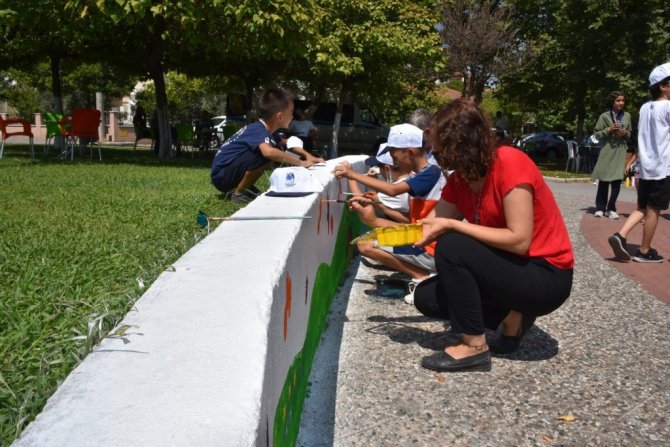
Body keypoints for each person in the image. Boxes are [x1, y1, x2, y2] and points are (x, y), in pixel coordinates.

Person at [413, 99, 574, 373]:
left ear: (460, 143)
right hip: (511, 269)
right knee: (426, 297)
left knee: (452, 245)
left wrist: (454, 226)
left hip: (545, 275)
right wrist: (378, 227)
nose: (435, 154)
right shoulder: (460, 179)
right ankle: (513, 316)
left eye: (439, 148)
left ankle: (474, 348)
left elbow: (519, 240)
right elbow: (430, 225)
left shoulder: (510, 161)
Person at [333, 124, 447, 300]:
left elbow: (393, 190)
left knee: (366, 244)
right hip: (422, 237)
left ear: (410, 152)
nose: (395, 163)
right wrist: (375, 215)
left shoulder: (431, 173)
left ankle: (423, 277)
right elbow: (412, 223)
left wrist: (351, 174)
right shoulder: (425, 174)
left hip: (430, 248)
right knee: (365, 242)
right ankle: (424, 274)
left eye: (395, 157)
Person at [608, 63, 670, 263]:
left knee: (642, 207)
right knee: (654, 210)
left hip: (645, 168)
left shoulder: (645, 108)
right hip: (662, 168)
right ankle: (644, 251)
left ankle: (620, 235)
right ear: (663, 86)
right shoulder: (668, 107)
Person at [210, 88, 315, 203]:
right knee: (268, 154)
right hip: (222, 176)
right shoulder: (258, 129)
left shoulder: (269, 131)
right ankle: (239, 194)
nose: (292, 117)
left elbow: (287, 144)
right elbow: (269, 152)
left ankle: (246, 187)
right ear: (279, 116)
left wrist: (308, 156)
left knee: (274, 150)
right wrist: (300, 163)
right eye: (291, 113)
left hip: (227, 172)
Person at [590, 91, 632, 219]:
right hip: (607, 150)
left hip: (620, 151)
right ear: (612, 102)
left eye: (622, 100)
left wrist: (625, 133)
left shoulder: (627, 116)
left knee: (616, 181)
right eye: (618, 100)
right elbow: (596, 134)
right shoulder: (604, 116)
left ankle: (611, 208)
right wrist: (609, 129)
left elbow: (630, 133)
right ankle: (600, 208)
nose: (621, 103)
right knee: (603, 180)